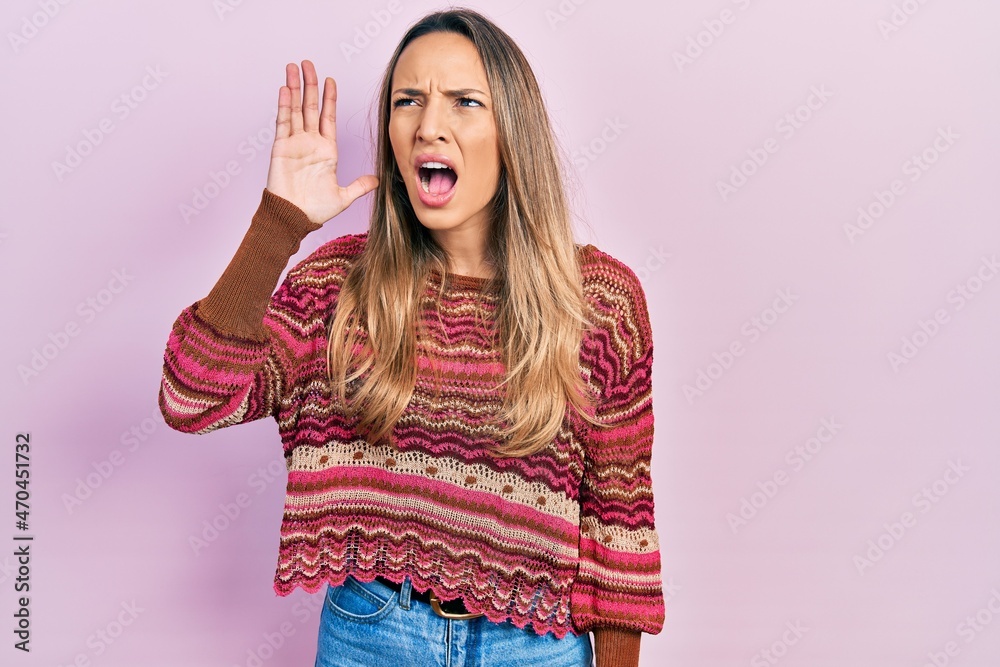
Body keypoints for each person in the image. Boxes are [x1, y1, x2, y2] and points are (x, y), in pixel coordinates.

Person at [158, 7, 664, 667]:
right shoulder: (337, 286)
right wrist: (277, 224)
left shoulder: (599, 302)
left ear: (512, 128)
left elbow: (619, 518)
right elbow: (191, 396)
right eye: (408, 101)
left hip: (535, 646)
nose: (430, 125)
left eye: (463, 102)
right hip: (371, 633)